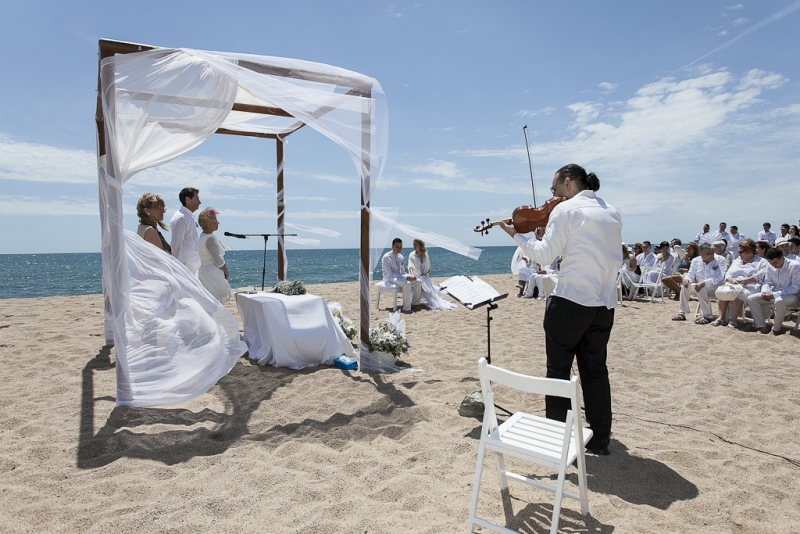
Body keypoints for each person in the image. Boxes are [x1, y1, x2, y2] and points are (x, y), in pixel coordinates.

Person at [498, 163, 622, 456]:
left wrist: (515, 235)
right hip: (604, 304)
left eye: (554, 189)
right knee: (595, 371)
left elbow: (543, 255)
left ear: (568, 184)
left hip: (570, 301)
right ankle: (600, 440)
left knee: (558, 371)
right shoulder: (612, 211)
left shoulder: (565, 211)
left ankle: (559, 439)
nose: (552, 196)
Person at [746, 248, 800, 335]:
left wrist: (774, 295)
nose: (773, 265)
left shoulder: (795, 266)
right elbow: (767, 282)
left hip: (792, 296)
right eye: (771, 263)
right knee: (752, 299)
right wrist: (765, 292)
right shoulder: (769, 265)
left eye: (775, 262)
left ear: (782, 258)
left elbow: (795, 288)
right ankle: (761, 326)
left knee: (779, 300)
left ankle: (776, 329)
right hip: (774, 294)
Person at [713, 239, 765, 328]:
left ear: (749, 251)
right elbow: (728, 273)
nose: (739, 254)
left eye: (741, 252)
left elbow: (758, 276)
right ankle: (721, 318)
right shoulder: (737, 260)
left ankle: (733, 320)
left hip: (750, 287)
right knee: (723, 292)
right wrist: (731, 279)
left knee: (738, 295)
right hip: (733, 284)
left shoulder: (761, 261)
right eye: (739, 252)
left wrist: (742, 281)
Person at [671, 243, 726, 324]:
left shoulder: (720, 259)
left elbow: (720, 277)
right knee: (685, 287)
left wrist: (703, 283)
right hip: (699, 287)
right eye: (708, 254)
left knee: (700, 287)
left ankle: (706, 316)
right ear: (702, 255)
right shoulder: (695, 261)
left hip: (715, 287)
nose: (711, 255)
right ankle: (681, 313)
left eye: (712, 253)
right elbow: (690, 275)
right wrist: (686, 280)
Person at [408, 239, 456, 311]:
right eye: (413, 244)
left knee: (431, 295)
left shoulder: (425, 254)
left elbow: (428, 264)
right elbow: (410, 265)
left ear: (420, 245)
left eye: (416, 245)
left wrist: (426, 272)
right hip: (416, 276)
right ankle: (415, 304)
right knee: (418, 283)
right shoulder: (412, 255)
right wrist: (412, 274)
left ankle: (428, 302)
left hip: (424, 276)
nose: (414, 246)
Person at [197, 208, 231, 304]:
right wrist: (225, 270)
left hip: (202, 271)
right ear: (209, 223)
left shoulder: (202, 237)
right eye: (216, 221)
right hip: (211, 272)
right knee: (215, 299)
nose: (218, 223)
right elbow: (217, 259)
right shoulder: (210, 238)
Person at [381, 238, 422, 313]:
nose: (399, 248)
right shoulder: (386, 257)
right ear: (392, 246)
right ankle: (406, 308)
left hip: (399, 277)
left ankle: (415, 303)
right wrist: (406, 278)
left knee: (418, 282)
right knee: (407, 283)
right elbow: (389, 273)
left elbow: (402, 271)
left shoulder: (401, 257)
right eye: (397, 246)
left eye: (400, 246)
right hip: (389, 278)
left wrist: (409, 276)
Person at [170, 187, 202, 276]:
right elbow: (175, 245)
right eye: (197, 199)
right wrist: (175, 268)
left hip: (191, 268)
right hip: (184, 268)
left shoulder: (188, 217)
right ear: (188, 200)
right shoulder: (181, 218)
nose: (200, 202)